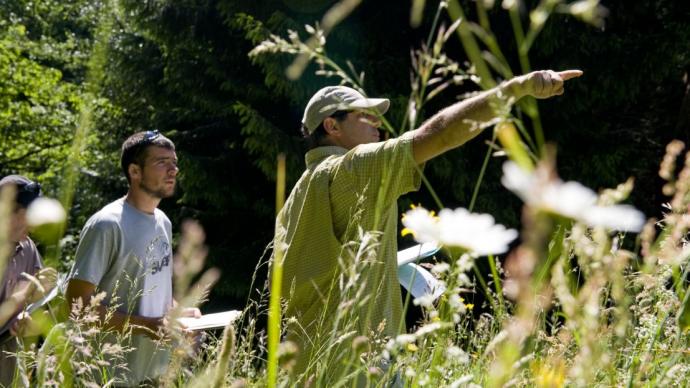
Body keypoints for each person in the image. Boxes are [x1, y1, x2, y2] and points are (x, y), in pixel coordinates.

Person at [274, 70, 582, 374]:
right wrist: (514, 89)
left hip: (304, 365)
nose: (378, 123)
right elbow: (440, 134)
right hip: (360, 366)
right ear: (332, 125)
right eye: (364, 116)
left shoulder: (294, 199)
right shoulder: (353, 169)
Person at [66, 130, 200, 386]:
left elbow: (153, 287)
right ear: (134, 171)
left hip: (155, 371)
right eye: (162, 162)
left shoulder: (163, 222)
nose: (173, 170)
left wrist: (179, 314)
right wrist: (146, 326)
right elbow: (77, 306)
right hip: (108, 373)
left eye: (174, 163)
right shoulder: (106, 224)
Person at [0, 175, 58, 386]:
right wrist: (26, 291)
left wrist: (29, 322)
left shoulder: (28, 247)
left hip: (11, 367)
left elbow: (41, 308)